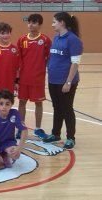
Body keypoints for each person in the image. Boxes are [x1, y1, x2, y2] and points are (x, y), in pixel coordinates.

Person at [43, 12, 83, 150]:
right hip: (53, 80)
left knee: (66, 109)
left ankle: (71, 137)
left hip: (65, 82)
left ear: (62, 22)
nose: (52, 24)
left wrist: (68, 82)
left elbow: (75, 63)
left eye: (54, 22)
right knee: (57, 108)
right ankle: (55, 134)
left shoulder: (73, 40)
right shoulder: (56, 37)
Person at [17, 13, 51, 139]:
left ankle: (37, 128)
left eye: (34, 22)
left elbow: (49, 57)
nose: (31, 25)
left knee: (39, 103)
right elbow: (19, 60)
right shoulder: (22, 40)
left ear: (40, 25)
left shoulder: (45, 40)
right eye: (29, 22)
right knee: (22, 102)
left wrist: (41, 69)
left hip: (38, 79)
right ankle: (21, 128)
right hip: (24, 78)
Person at [0, 90, 27, 170]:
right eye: (1, 104)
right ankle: (2, 157)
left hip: (8, 143)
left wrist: (19, 148)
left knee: (16, 154)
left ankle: (4, 155)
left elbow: (24, 130)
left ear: (11, 104)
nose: (4, 106)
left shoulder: (15, 113)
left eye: (7, 104)